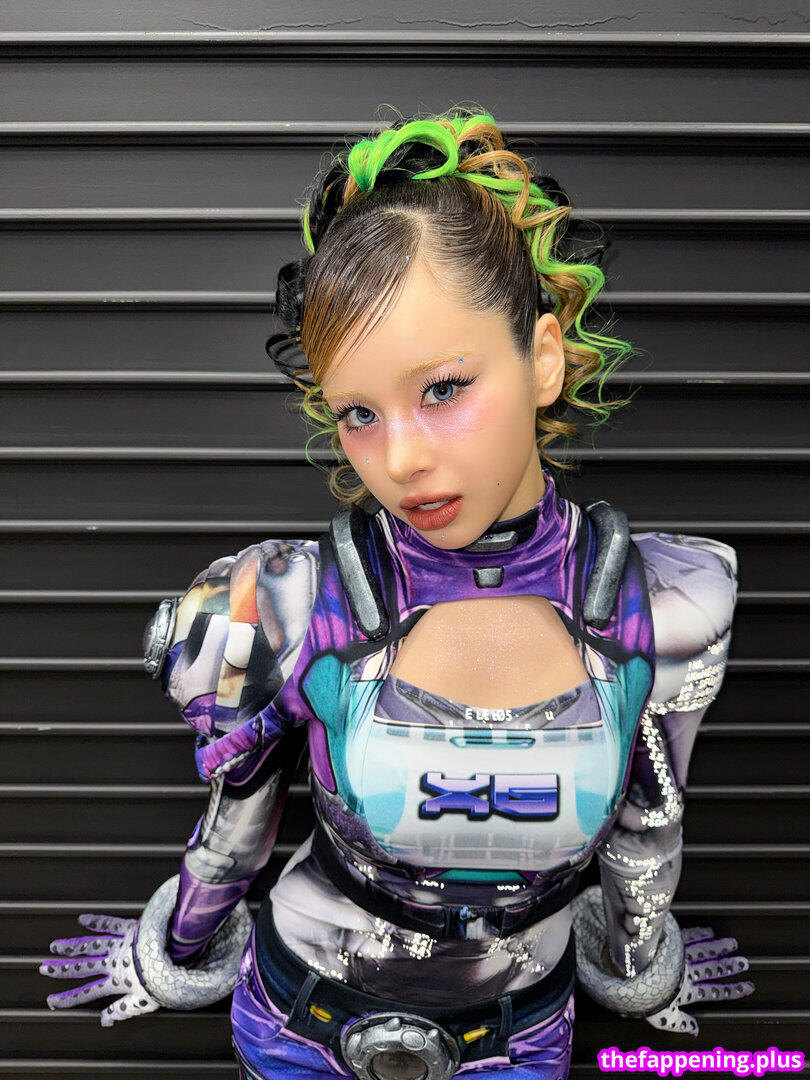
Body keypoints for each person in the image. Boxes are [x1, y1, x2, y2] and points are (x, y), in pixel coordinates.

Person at [41, 109, 753, 1080]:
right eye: (359, 413)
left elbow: (649, 826)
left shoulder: (668, 603)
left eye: (444, 388)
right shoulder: (280, 603)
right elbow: (237, 822)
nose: (402, 458)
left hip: (521, 1036)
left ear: (544, 357)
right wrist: (172, 952)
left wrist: (639, 965)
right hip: (296, 1021)